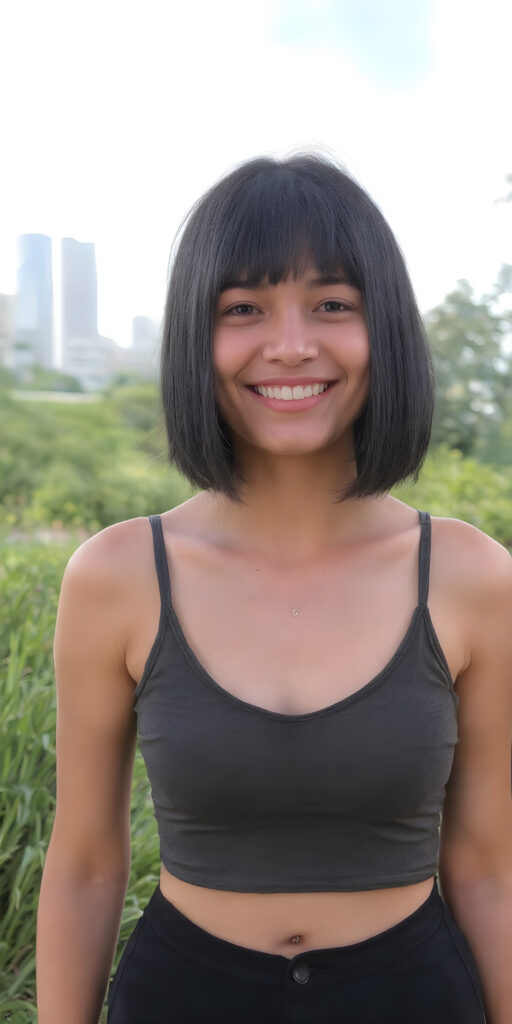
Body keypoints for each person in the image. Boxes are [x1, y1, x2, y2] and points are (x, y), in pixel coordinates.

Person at [36, 153, 511, 1024]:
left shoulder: (474, 577)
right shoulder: (115, 576)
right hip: (181, 996)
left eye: (332, 304)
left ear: (385, 330)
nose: (290, 344)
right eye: (243, 309)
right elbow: (86, 864)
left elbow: (486, 865)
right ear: (195, 336)